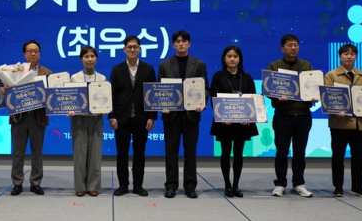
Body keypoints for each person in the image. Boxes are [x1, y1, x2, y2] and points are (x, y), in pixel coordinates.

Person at [158, 30, 208, 199]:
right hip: (171, 115)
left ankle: (190, 186)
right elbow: (160, 89)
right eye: (178, 41)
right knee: (171, 151)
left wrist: (202, 103)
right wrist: (162, 105)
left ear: (189, 43)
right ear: (173, 45)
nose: (181, 43)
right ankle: (171, 185)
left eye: (184, 41)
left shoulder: (199, 64)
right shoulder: (165, 65)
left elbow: (205, 89)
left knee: (191, 152)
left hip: (191, 115)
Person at [267, 34, 317, 198]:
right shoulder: (274, 66)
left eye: (296, 45)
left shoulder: (306, 66)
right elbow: (268, 89)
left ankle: (298, 184)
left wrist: (314, 96)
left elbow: (313, 87)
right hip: (283, 115)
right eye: (289, 45)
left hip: (303, 115)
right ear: (282, 48)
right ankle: (280, 184)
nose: (293, 48)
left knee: (299, 152)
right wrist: (276, 96)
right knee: (281, 152)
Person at [324, 44, 362, 198]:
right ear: (340, 56)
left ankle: (357, 187)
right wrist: (336, 109)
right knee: (338, 157)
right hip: (339, 124)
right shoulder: (331, 75)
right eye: (346, 54)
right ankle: (338, 187)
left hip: (360, 124)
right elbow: (327, 97)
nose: (349, 56)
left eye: (352, 54)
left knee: (358, 157)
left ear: (356, 57)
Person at [109, 35, 157, 196]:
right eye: (129, 47)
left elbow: (153, 94)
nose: (132, 49)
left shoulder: (148, 68)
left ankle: (138, 186)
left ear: (140, 49)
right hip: (121, 118)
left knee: (139, 154)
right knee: (122, 154)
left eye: (135, 47)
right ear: (124, 49)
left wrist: (152, 116)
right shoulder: (117, 69)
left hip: (141, 118)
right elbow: (112, 94)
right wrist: (112, 116)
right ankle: (123, 185)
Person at [209, 45, 259, 198]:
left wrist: (248, 117)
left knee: (238, 153)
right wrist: (223, 117)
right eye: (229, 56)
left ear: (239, 59)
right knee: (225, 152)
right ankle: (227, 185)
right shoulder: (218, 76)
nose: (232, 59)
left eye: (235, 56)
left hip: (242, 124)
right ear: (224, 59)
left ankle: (236, 185)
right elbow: (214, 98)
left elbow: (252, 98)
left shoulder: (246, 77)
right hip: (224, 123)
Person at [9, 40, 52, 196]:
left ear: (39, 54)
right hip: (19, 118)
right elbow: (7, 92)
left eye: (36, 51)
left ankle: (36, 183)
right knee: (18, 152)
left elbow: (52, 97)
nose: (33, 54)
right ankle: (17, 183)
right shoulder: (14, 71)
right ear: (24, 54)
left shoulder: (47, 73)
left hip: (37, 118)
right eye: (30, 51)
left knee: (37, 152)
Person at [67, 46, 106, 197]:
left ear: (96, 58)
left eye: (92, 56)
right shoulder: (74, 78)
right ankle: (80, 186)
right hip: (79, 119)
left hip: (96, 119)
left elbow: (106, 100)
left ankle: (93, 185)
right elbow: (70, 99)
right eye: (86, 56)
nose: (90, 59)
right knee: (79, 153)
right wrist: (70, 109)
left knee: (95, 153)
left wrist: (106, 108)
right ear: (81, 59)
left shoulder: (102, 78)